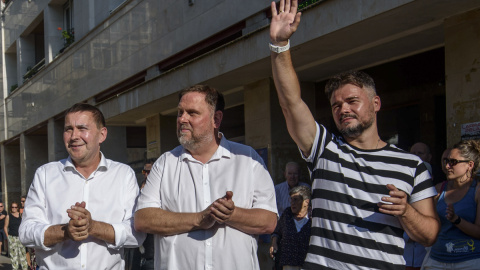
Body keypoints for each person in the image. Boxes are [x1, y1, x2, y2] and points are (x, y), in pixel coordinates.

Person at [269, 1, 440, 269]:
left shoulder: (412, 166)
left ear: (376, 104)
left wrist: (406, 211)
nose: (343, 109)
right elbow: (290, 103)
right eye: (336, 105)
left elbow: (429, 235)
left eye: (352, 101)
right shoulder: (325, 150)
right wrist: (280, 46)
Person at [135, 85, 278, 269]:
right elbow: (143, 219)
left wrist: (231, 214)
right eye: (180, 112)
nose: (182, 119)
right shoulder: (165, 163)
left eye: (192, 113)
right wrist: (199, 219)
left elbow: (269, 221)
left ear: (216, 119)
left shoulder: (247, 160)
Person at [19, 103, 145, 269]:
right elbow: (26, 232)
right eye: (68, 129)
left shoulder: (123, 175)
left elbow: (136, 234)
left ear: (102, 134)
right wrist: (65, 231)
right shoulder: (45, 174)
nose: (74, 136)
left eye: (82, 128)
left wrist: (93, 227)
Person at [421, 140, 480, 269]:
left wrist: (456, 220)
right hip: (436, 260)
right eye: (446, 161)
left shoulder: (477, 190)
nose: (447, 166)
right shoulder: (439, 189)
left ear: (470, 165)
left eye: (453, 162)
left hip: (469, 261)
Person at [404, 142, 435, 270]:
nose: (416, 156)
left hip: (425, 257)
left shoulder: (435, 194)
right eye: (413, 153)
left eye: (420, 153)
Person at [270, 185, 311, 270]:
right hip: (288, 263)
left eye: (295, 199)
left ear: (306, 202)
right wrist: (274, 243)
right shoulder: (287, 214)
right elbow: (277, 231)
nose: (292, 202)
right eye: (291, 199)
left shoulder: (313, 218)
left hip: (307, 263)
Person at [5, 202, 28, 270]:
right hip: (12, 237)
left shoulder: (21, 215)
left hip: (21, 237)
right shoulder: (8, 216)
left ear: (17, 208)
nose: (14, 208)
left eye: (15, 207)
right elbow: (5, 227)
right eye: (12, 207)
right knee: (14, 255)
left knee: (23, 254)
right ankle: (15, 268)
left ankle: (25, 268)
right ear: (11, 208)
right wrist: (8, 236)